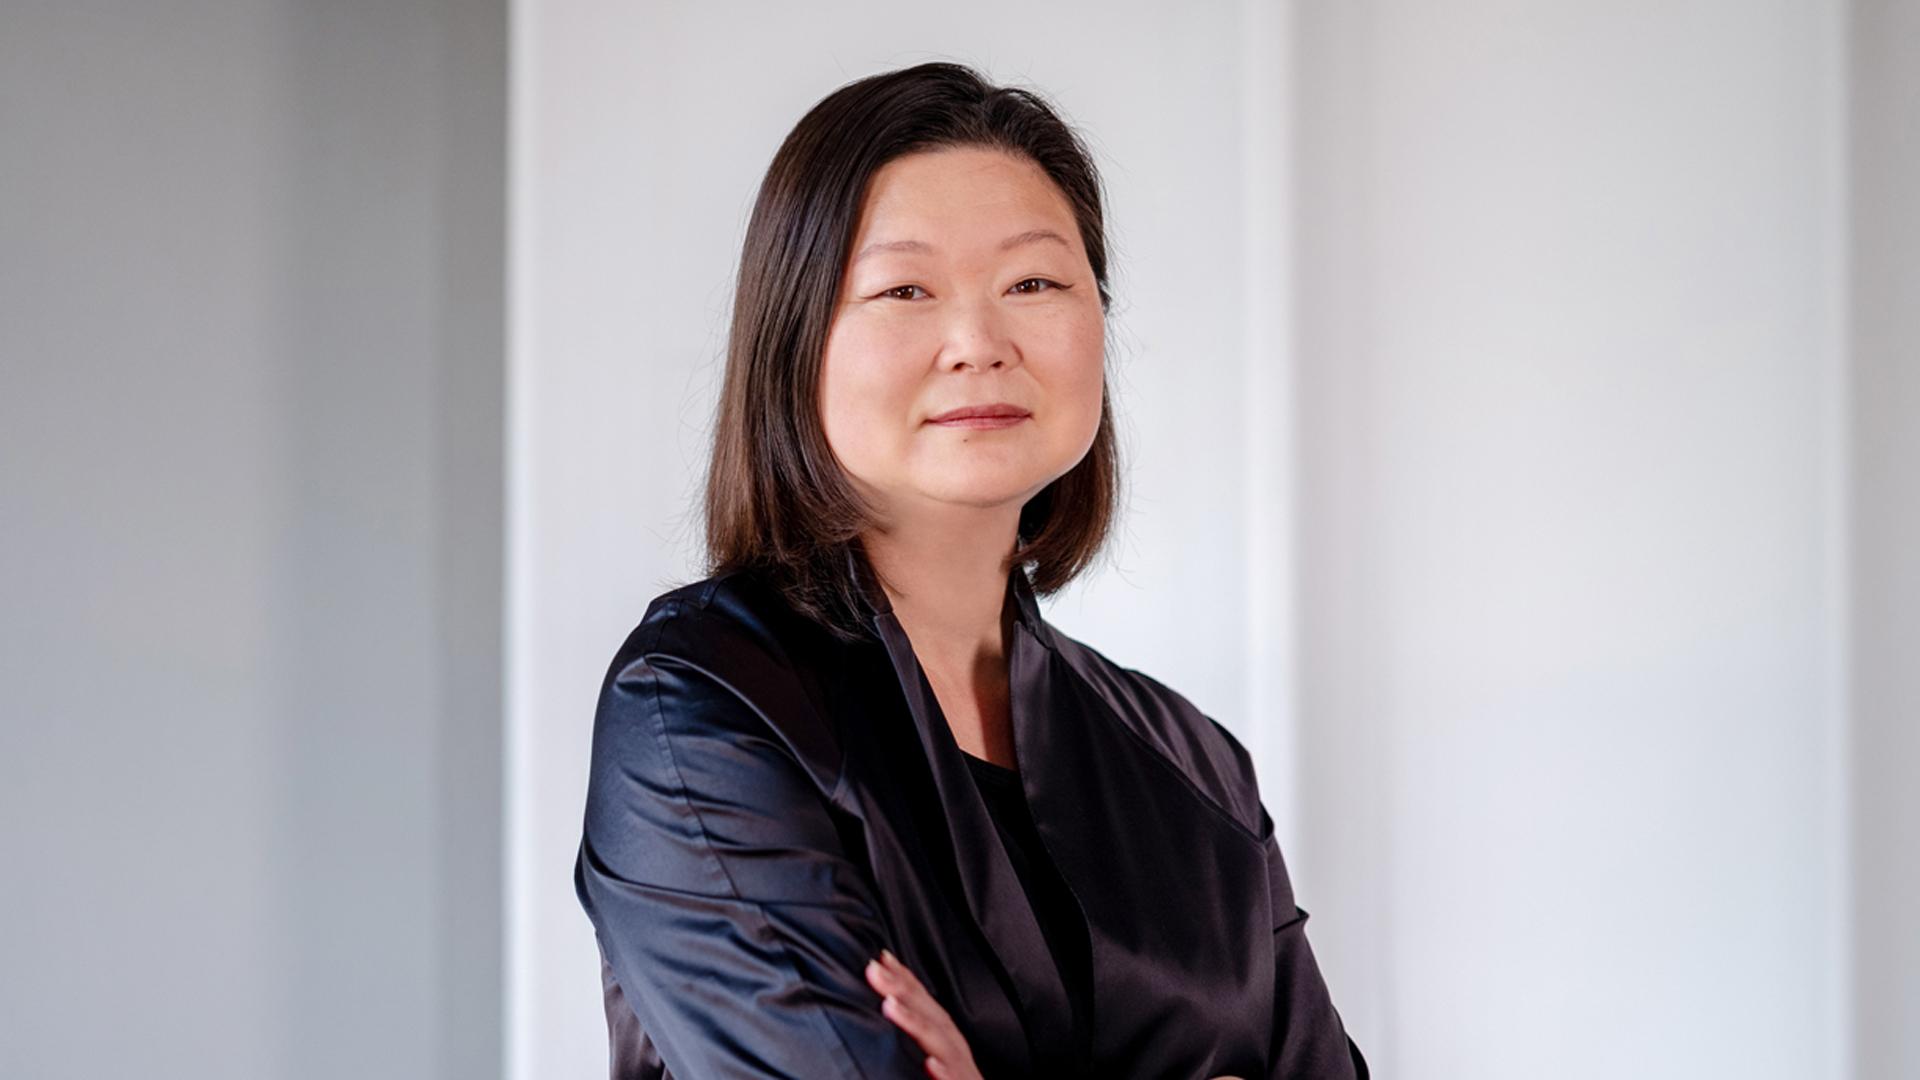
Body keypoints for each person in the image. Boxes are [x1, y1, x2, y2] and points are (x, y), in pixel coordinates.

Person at [574, 60, 1368, 1079]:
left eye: (1033, 283)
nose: (979, 342)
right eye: (905, 289)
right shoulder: (703, 706)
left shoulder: (1194, 766)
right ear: (795, 339)